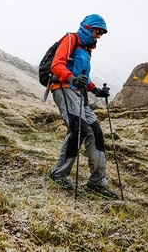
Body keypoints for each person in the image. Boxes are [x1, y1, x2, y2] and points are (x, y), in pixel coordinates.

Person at [46, 14, 119, 200]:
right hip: (62, 88)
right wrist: (71, 79)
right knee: (78, 128)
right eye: (97, 31)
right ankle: (58, 174)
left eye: (101, 33)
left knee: (96, 132)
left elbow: (82, 77)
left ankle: (97, 181)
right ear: (88, 28)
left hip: (80, 94)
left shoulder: (87, 50)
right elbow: (57, 65)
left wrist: (96, 90)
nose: (99, 36)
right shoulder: (70, 39)